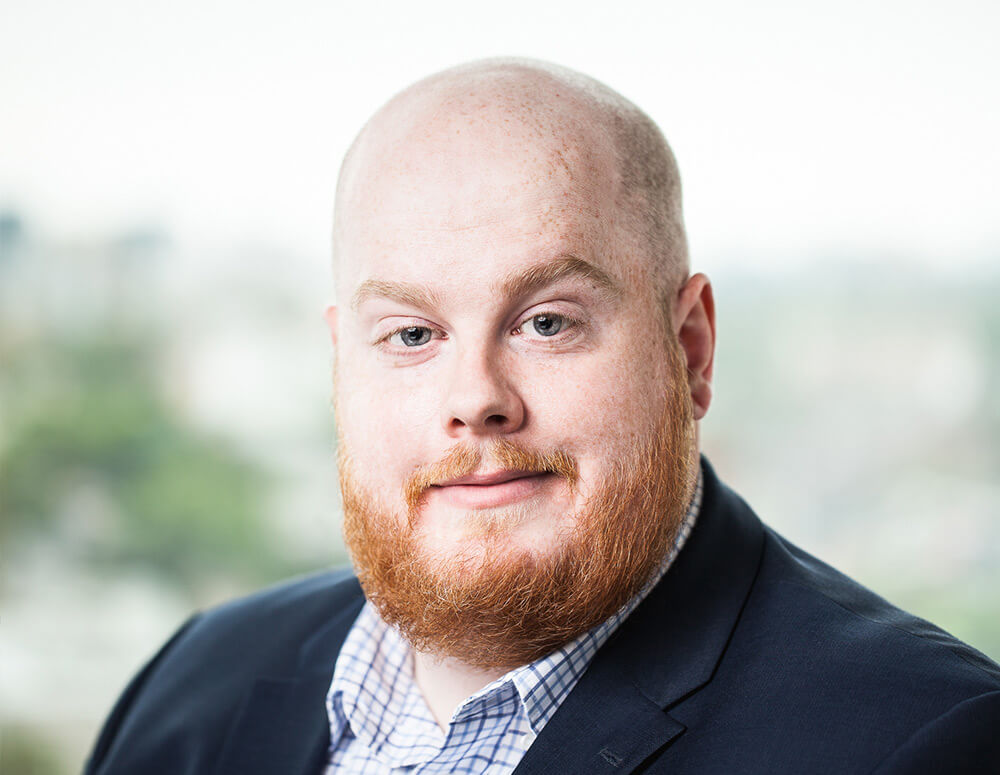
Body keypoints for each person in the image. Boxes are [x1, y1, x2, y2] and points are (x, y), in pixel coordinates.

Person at [85, 59, 1000, 775]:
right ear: (340, 367)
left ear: (688, 351)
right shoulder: (191, 678)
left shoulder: (930, 743)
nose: (475, 396)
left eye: (547, 321)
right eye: (410, 334)